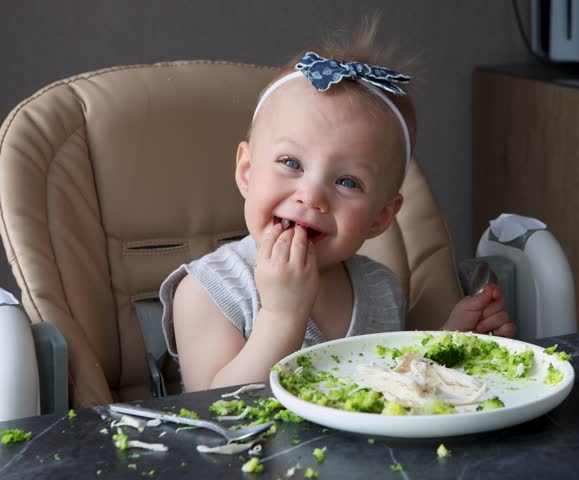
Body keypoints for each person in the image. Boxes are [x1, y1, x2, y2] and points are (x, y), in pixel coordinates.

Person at [159, 18, 516, 392]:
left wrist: (448, 341)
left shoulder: (380, 289)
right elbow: (214, 413)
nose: (311, 196)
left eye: (347, 182)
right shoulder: (208, 292)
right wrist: (283, 316)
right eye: (291, 163)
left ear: (380, 217)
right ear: (247, 173)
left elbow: (384, 390)